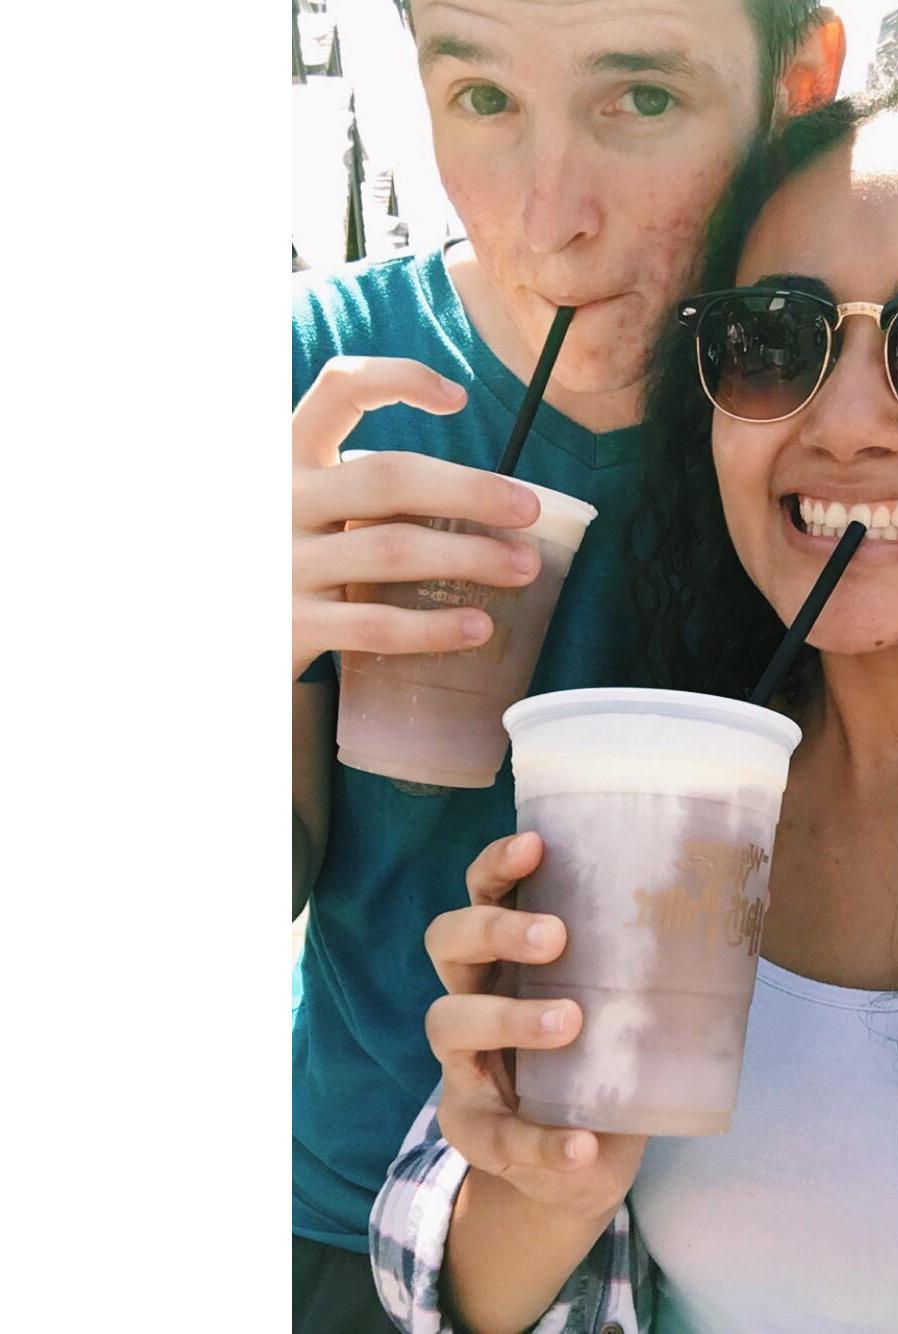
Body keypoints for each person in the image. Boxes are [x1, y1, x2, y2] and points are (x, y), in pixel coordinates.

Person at [369, 62, 898, 1334]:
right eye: (773, 339)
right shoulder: (645, 788)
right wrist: (545, 1181)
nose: (842, 423)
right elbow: (448, 1294)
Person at [291, 1, 846, 1328]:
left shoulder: (865, 418)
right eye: (481, 99)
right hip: (353, 1221)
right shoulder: (325, 385)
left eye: (639, 101)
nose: (550, 220)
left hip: (751, 1244)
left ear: (798, 85)